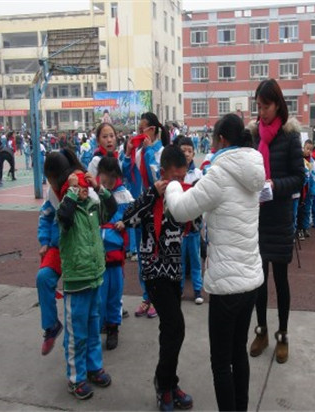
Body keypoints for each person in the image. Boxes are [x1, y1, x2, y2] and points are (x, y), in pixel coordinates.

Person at [165, 113, 265, 411]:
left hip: (226, 285)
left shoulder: (220, 175)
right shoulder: (253, 171)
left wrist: (173, 185)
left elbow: (181, 210)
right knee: (238, 353)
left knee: (221, 362)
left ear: (221, 140)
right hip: (251, 280)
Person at [122, 146, 193, 411]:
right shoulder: (150, 197)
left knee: (170, 329)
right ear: (163, 173)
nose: (179, 183)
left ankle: (169, 383)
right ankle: (164, 384)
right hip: (154, 272)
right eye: (175, 178)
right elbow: (127, 218)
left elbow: (194, 226)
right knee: (176, 326)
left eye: (183, 177)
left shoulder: (183, 196)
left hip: (174, 273)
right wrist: (152, 193)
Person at [45, 149, 117, 400]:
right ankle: (76, 378)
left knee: (93, 327)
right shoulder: (66, 211)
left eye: (85, 185)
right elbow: (64, 215)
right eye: (78, 186)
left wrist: (98, 187)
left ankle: (94, 367)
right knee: (77, 334)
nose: (84, 190)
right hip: (76, 282)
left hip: (95, 277)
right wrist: (73, 192)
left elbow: (112, 207)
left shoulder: (93, 208)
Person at [247, 79, 305, 364]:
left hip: (280, 217)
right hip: (256, 218)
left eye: (266, 106)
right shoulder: (252, 135)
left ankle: (283, 335)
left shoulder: (290, 136)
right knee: (258, 280)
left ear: (278, 105)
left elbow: (299, 177)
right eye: (258, 107)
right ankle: (261, 331)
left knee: (281, 280)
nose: (262, 112)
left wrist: (275, 185)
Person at [122, 112, 169, 319]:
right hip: (143, 207)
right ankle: (146, 296)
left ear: (154, 130)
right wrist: (128, 154)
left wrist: (149, 151)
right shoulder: (140, 152)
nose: (140, 133)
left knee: (157, 254)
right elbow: (128, 176)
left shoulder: (162, 152)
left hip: (158, 209)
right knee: (143, 255)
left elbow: (156, 177)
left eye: (143, 129)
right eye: (139, 129)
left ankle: (158, 298)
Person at [97, 157, 134, 350]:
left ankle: (113, 328)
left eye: (111, 179)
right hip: (97, 255)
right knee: (99, 295)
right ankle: (100, 325)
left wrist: (124, 222)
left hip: (116, 254)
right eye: (104, 179)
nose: (107, 184)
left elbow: (133, 215)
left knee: (114, 293)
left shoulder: (124, 195)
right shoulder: (94, 194)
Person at [37, 185, 63, 356]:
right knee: (43, 277)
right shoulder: (52, 192)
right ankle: (51, 325)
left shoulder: (84, 186)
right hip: (57, 247)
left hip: (79, 248)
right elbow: (45, 217)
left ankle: (109, 321)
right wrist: (45, 241)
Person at [177, 137, 204, 304]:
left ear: (194, 154)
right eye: (183, 151)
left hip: (194, 226)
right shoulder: (175, 174)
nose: (186, 154)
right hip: (178, 227)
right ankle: (179, 290)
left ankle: (197, 290)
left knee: (195, 260)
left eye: (189, 151)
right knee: (179, 261)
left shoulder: (198, 174)